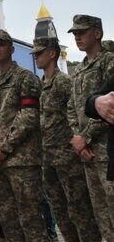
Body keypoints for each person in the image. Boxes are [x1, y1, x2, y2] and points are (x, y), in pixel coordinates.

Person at [0, 30, 48, 241]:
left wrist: (4, 149)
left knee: (31, 219)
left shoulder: (25, 78)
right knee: (8, 220)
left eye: (1, 44)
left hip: (21, 161)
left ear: (12, 49)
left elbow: (29, 116)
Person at [32, 36, 101, 241]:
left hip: (67, 157)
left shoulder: (63, 81)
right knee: (60, 211)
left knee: (79, 211)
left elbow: (76, 113)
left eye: (39, 52)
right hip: (48, 157)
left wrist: (81, 141)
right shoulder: (41, 84)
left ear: (52, 53)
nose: (35, 57)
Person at [67, 14, 114, 238]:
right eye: (75, 33)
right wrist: (79, 139)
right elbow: (72, 107)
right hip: (87, 153)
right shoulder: (80, 69)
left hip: (106, 149)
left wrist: (86, 136)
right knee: (101, 214)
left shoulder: (109, 61)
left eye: (82, 32)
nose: (77, 37)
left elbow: (110, 105)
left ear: (97, 33)